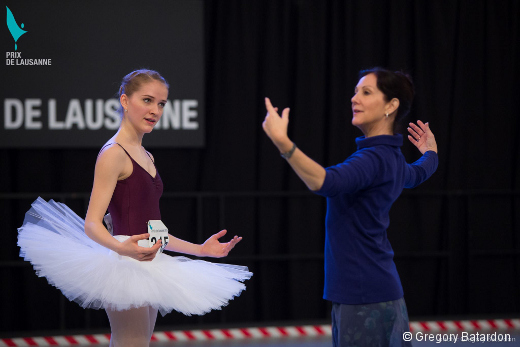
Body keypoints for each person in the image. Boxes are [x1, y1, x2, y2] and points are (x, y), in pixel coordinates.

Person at [18, 69, 252, 347]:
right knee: (131, 342)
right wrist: (122, 249)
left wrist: (200, 249)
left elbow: (153, 228)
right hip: (125, 261)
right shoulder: (114, 154)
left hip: (146, 260)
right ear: (125, 101)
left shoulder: (146, 155)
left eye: (161, 104)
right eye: (147, 100)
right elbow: (92, 223)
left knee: (139, 342)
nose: (155, 110)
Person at [262, 67, 438, 347]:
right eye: (355, 91)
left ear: (391, 106)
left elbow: (324, 181)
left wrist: (284, 143)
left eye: (366, 92)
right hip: (382, 294)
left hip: (363, 297)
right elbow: (417, 174)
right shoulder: (391, 157)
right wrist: (431, 154)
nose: (354, 98)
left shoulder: (373, 159)